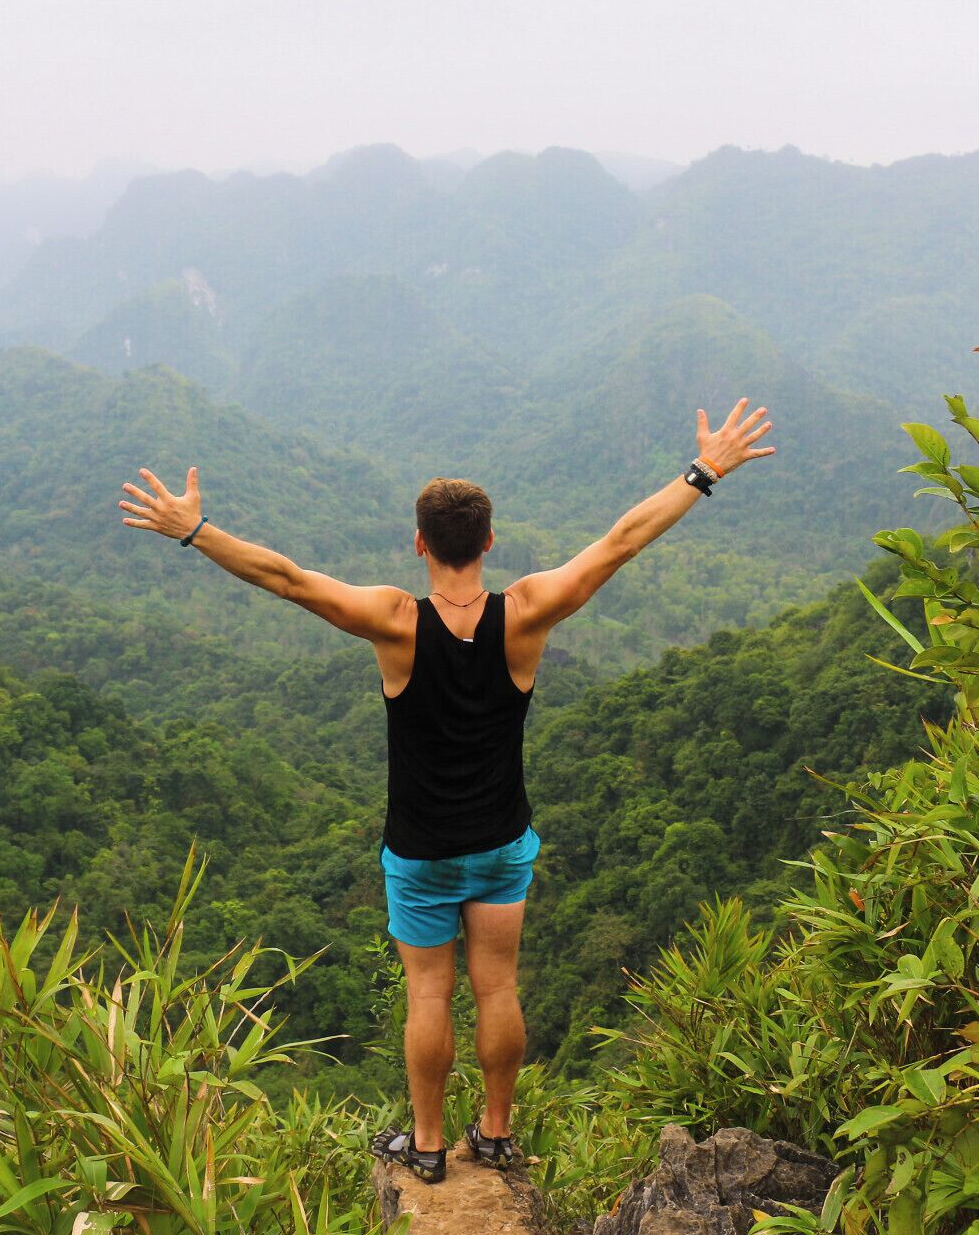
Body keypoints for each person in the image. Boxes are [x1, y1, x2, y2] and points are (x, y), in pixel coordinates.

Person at [119, 399, 776, 1181]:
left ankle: (428, 1148)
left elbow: (288, 580)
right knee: (498, 984)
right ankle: (496, 1134)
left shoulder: (395, 623)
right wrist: (704, 471)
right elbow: (620, 542)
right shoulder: (526, 614)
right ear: (490, 542)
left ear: (420, 544)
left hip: (421, 850)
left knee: (428, 994)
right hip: (500, 843)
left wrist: (194, 530)